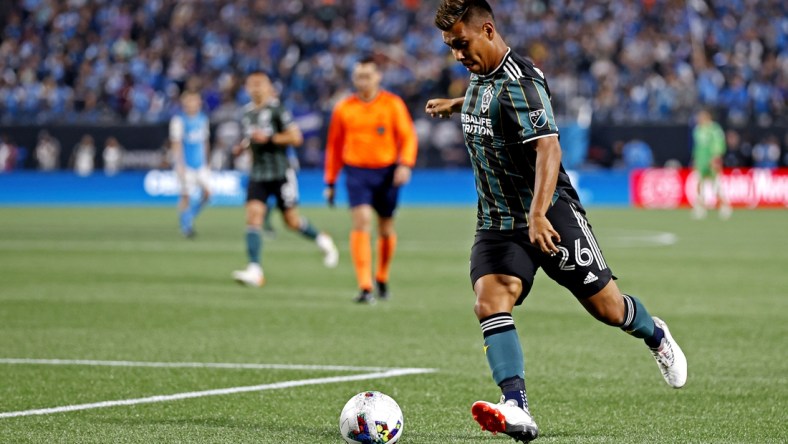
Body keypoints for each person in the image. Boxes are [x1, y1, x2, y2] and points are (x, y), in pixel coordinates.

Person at [424, 1, 687, 442]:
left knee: (608, 308)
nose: (457, 55)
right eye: (451, 47)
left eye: (461, 44)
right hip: (496, 219)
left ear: (487, 30)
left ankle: (655, 331)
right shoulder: (480, 74)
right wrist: (456, 105)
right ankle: (516, 406)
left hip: (549, 213)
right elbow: (487, 102)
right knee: (491, 300)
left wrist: (539, 213)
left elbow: (549, 149)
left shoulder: (521, 82)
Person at [324, 57, 418, 304]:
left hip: (386, 172)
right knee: (362, 221)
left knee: (385, 227)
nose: (362, 81)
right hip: (356, 172)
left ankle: (382, 276)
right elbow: (334, 147)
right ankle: (365, 286)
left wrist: (405, 164)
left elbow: (408, 137)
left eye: (367, 76)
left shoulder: (392, 104)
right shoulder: (344, 108)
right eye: (358, 77)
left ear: (378, 77)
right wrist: (330, 181)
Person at [231, 71, 338, 287]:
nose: (256, 88)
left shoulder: (277, 110)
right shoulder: (246, 113)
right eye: (252, 84)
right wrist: (242, 148)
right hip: (258, 173)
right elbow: (250, 139)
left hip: (281, 173)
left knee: (291, 222)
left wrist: (270, 138)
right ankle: (255, 270)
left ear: (269, 87)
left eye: (260, 84)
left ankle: (321, 239)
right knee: (253, 216)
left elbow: (296, 137)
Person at [169, 90, 212, 238]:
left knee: (208, 194)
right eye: (189, 101)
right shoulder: (179, 121)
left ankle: (189, 216)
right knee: (185, 195)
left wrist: (207, 162)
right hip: (185, 165)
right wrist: (179, 164)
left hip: (200, 165)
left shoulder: (203, 119)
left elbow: (205, 142)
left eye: (195, 101)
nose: (192, 104)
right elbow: (176, 143)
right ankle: (186, 227)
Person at [691, 109, 732, 220]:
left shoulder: (715, 129)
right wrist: (695, 158)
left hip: (712, 159)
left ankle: (724, 205)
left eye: (701, 117)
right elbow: (697, 146)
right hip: (701, 159)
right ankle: (700, 206)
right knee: (699, 182)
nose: (698, 119)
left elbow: (719, 143)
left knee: (716, 183)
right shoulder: (697, 130)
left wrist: (716, 157)